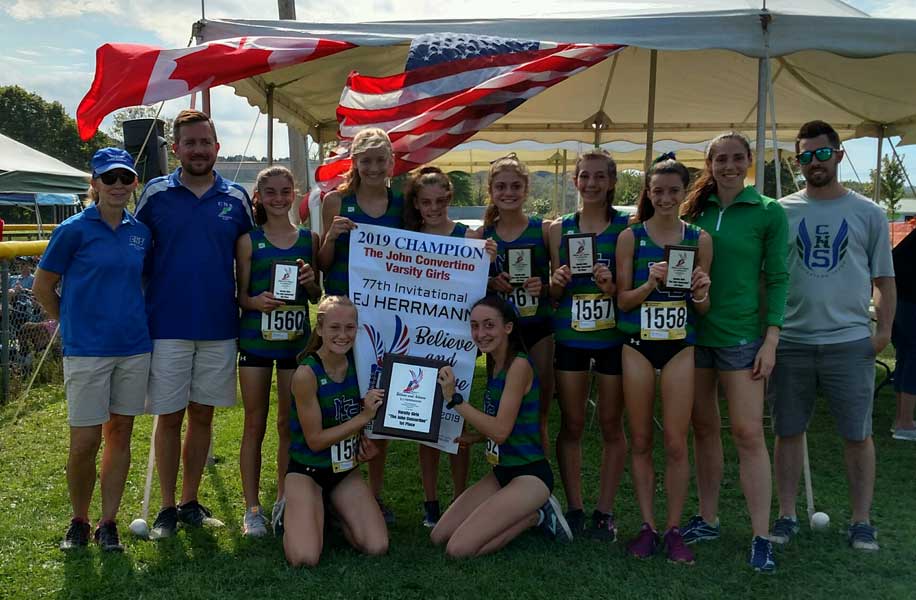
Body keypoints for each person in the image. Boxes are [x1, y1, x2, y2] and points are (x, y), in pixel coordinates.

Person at [770, 120, 896, 551]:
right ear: (797, 161)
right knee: (788, 430)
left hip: (849, 341)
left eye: (822, 154)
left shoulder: (869, 213)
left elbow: (884, 280)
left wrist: (882, 333)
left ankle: (861, 521)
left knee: (857, 434)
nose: (813, 163)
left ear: (839, 155)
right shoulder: (781, 211)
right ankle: (786, 514)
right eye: (805, 156)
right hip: (792, 341)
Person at [135, 109, 255, 539]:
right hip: (165, 323)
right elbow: (134, 251)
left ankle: (189, 501)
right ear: (176, 149)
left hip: (219, 324)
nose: (199, 150)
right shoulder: (154, 194)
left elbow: (255, 258)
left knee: (202, 414)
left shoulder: (237, 198)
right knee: (169, 417)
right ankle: (166, 506)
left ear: (217, 147)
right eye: (190, 143)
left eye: (206, 142)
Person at [33, 147, 152, 552]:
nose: (118, 185)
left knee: (120, 434)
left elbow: (143, 284)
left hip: (134, 348)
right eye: (109, 178)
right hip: (87, 351)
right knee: (84, 442)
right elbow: (42, 287)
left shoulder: (141, 232)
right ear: (94, 183)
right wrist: (70, 325)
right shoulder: (72, 230)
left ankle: (108, 522)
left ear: (134, 183)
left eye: (125, 178)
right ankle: (79, 520)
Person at [680, 131, 787, 572]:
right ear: (709, 164)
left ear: (748, 162)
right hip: (693, 335)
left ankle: (761, 535)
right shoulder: (694, 211)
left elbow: (779, 277)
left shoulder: (768, 212)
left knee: (747, 434)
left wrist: (772, 338)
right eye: (720, 158)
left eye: (736, 158)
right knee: (704, 430)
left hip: (742, 338)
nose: (728, 165)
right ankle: (708, 519)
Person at [615, 157, 712, 562]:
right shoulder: (631, 237)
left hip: (680, 346)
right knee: (640, 439)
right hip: (637, 343)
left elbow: (702, 309)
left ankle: (673, 529)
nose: (666, 198)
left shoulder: (699, 239)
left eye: (674, 191)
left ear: (685, 191)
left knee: (675, 442)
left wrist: (702, 291)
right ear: (649, 193)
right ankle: (647, 525)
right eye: (658, 191)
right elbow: (622, 301)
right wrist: (650, 282)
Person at [431, 295, 572, 557]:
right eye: (474, 326)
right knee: (439, 535)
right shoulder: (495, 364)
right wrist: (474, 438)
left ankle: (537, 515)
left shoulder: (518, 365)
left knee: (458, 549)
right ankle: (526, 510)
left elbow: (500, 431)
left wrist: (454, 400)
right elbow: (507, 423)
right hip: (502, 471)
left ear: (508, 327)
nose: (480, 333)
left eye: (488, 325)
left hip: (530, 474)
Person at [317, 127, 404, 524]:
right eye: (364, 160)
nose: (372, 167)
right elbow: (321, 263)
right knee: (339, 400)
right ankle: (331, 485)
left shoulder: (401, 204)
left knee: (376, 401)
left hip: (385, 316)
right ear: (354, 162)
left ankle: (373, 493)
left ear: (390, 163)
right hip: (342, 320)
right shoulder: (335, 201)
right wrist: (332, 236)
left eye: (379, 160)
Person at [547, 149, 629, 538]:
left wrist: (612, 287)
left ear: (612, 182)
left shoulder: (627, 228)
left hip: (613, 337)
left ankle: (605, 510)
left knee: (612, 425)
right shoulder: (557, 229)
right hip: (571, 337)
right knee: (573, 423)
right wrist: (556, 285)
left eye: (600, 177)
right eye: (585, 177)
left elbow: (629, 291)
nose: (592, 184)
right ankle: (576, 506)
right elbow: (551, 294)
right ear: (574, 181)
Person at [236, 166, 322, 536]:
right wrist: (256, 302)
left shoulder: (309, 240)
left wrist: (310, 282)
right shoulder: (248, 241)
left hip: (295, 346)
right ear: (259, 197)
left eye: (285, 191)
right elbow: (239, 296)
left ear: (294, 194)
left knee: (289, 424)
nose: (278, 198)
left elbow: (317, 296)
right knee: (254, 423)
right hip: (255, 342)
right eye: (269, 192)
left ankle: (285, 500)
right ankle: (252, 508)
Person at [283, 295, 388, 566]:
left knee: (377, 546)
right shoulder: (306, 374)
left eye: (350, 328)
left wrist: (369, 442)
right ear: (320, 329)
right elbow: (315, 441)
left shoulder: (362, 366)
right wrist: (363, 418)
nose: (343, 335)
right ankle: (298, 507)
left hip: (343, 471)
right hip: (307, 470)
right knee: (304, 558)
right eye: (334, 328)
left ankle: (332, 511)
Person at [403, 166, 472, 528]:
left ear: (450, 198)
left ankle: (460, 499)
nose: (434, 207)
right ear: (416, 203)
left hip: (457, 341)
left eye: (441, 200)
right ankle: (431, 502)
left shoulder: (468, 236)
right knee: (424, 425)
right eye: (426, 202)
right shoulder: (406, 238)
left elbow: (481, 286)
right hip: (417, 342)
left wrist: (487, 259)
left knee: (456, 422)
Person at [480, 154, 554, 452]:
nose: (508, 193)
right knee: (498, 407)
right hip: (499, 336)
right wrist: (490, 284)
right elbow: (472, 289)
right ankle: (504, 473)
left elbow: (561, 285)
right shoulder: (482, 236)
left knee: (539, 413)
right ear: (491, 191)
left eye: (515, 186)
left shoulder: (545, 230)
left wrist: (544, 287)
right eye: (501, 187)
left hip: (538, 328)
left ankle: (540, 484)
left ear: (526, 189)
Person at [891, 226, 916, 440]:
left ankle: (901, 420)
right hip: (909, 304)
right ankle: (905, 423)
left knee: (905, 357)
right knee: (913, 359)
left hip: (899, 302)